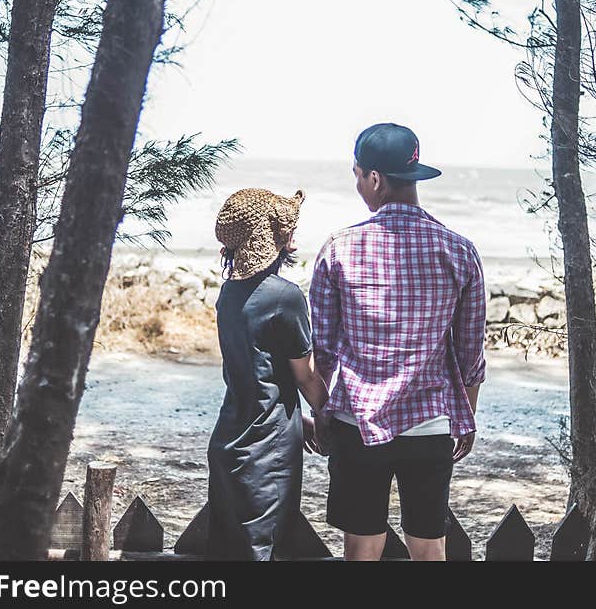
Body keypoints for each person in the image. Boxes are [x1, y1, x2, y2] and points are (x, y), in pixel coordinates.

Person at [309, 123, 487, 561]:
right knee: (429, 547)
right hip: (429, 423)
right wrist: (466, 417)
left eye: (357, 175)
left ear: (374, 178)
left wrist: (321, 412)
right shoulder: (459, 250)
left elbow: (325, 349)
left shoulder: (338, 249)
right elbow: (470, 352)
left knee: (362, 545)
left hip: (358, 423)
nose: (358, 185)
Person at [206, 187, 329, 560]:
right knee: (267, 552)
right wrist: (328, 417)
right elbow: (305, 377)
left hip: (230, 438)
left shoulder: (229, 293)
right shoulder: (284, 296)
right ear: (276, 238)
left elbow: (258, 371)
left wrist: (293, 418)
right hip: (267, 449)